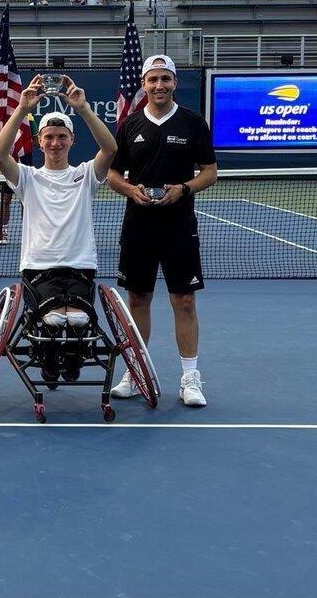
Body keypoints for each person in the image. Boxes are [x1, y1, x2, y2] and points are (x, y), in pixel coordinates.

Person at [106, 54, 218, 406]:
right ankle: (136, 372)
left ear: (174, 83)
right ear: (143, 84)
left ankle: (190, 379)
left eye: (165, 80)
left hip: (179, 226)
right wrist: (131, 190)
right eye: (152, 80)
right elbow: (112, 175)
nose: (158, 86)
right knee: (137, 299)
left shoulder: (193, 123)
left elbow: (210, 172)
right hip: (138, 226)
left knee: (183, 300)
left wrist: (182, 189)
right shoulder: (129, 125)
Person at [0, 76, 118, 381]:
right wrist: (21, 108)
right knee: (51, 318)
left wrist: (84, 109)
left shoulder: (86, 175)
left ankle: (72, 356)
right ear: (39, 141)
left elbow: (111, 149)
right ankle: (50, 358)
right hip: (39, 269)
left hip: (80, 267)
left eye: (62, 136)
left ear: (72, 140)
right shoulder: (27, 177)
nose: (55, 143)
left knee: (75, 319)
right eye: (49, 137)